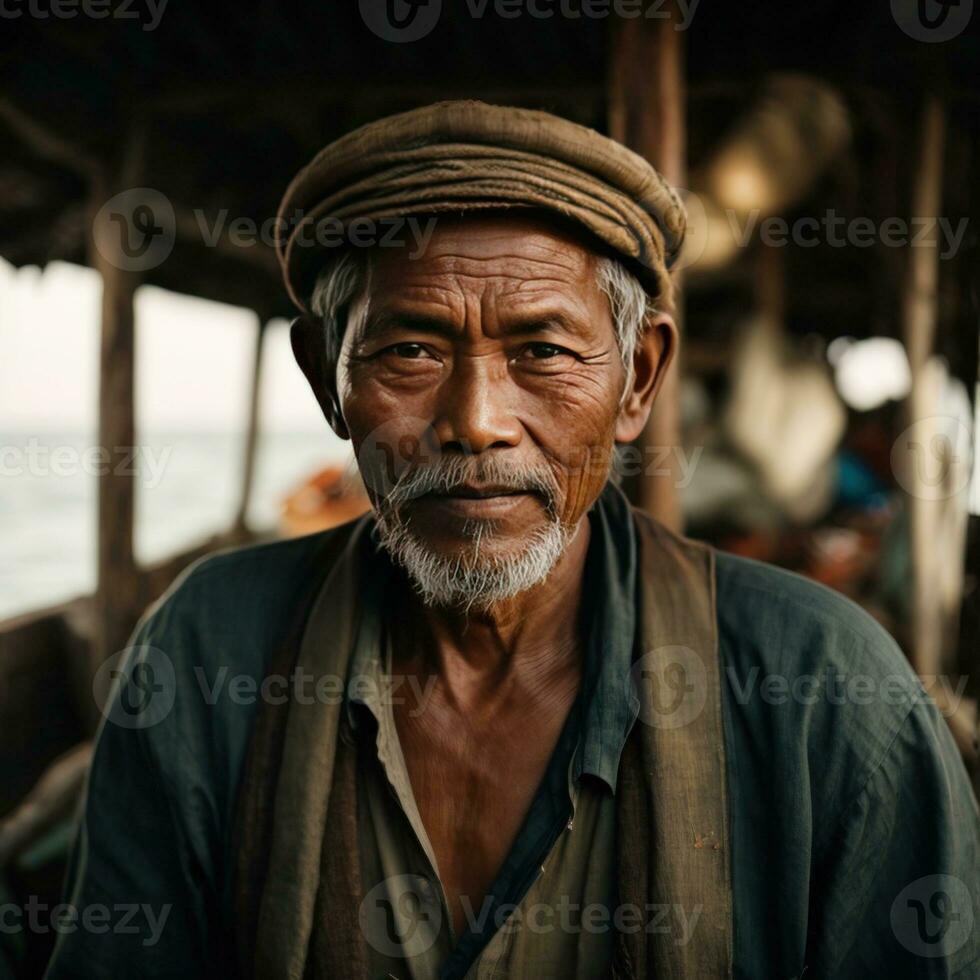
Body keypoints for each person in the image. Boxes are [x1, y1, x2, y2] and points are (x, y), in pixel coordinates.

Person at [47, 101, 978, 980]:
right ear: (326, 380)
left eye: (544, 352)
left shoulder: (823, 688)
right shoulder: (209, 651)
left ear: (639, 381)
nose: (477, 422)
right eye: (410, 350)